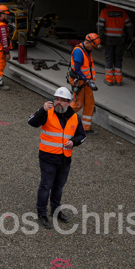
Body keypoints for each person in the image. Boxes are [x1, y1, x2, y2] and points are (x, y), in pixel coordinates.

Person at [29, 86, 87, 230]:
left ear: (69, 102)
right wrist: (42, 109)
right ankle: (42, 213)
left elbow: (82, 136)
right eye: (57, 99)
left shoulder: (75, 117)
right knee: (46, 186)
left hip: (64, 159)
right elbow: (32, 122)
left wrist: (74, 142)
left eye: (63, 100)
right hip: (48, 158)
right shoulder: (46, 113)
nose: (59, 102)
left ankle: (55, 210)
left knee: (58, 187)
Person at [68, 33, 100, 132]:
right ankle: (60, 119)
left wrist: (88, 81)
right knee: (78, 104)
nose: (93, 49)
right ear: (88, 42)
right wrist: (87, 81)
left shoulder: (87, 49)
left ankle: (85, 128)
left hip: (85, 81)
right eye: (93, 46)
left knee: (90, 103)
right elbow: (77, 69)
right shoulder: (79, 51)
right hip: (79, 81)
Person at [95, 4, 131, 85]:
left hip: (108, 39)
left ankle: (109, 79)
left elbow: (100, 26)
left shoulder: (104, 11)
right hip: (120, 39)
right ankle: (118, 80)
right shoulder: (123, 12)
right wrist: (130, 36)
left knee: (109, 58)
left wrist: (99, 38)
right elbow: (129, 26)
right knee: (118, 58)